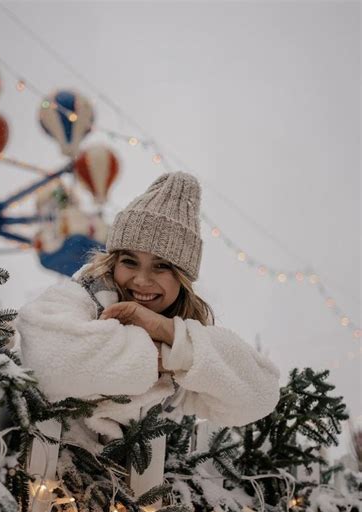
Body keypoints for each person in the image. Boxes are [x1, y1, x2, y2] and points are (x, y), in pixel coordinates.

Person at [17, 172, 280, 438]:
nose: (142, 280)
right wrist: (162, 357)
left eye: (161, 267)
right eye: (129, 262)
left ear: (183, 278)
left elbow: (261, 394)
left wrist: (168, 333)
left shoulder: (184, 353)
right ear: (114, 262)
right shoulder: (82, 295)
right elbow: (47, 362)